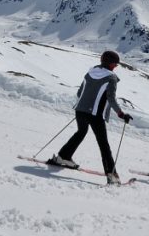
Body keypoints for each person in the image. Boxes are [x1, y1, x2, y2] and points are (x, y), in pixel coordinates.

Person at [48, 50, 133, 185]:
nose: (116, 67)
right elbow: (111, 99)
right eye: (115, 65)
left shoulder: (89, 73)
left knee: (81, 132)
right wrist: (121, 114)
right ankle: (112, 175)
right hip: (95, 115)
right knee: (103, 144)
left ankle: (63, 157)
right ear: (111, 65)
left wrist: (85, 103)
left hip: (80, 110)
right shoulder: (111, 78)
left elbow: (79, 92)